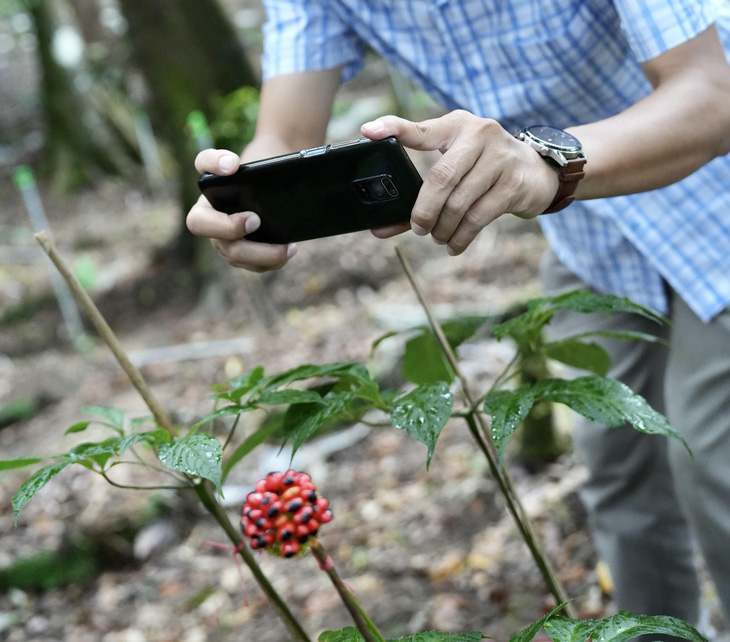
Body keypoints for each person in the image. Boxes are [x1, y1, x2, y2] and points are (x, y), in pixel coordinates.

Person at [186, 0, 730, 637]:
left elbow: (714, 94)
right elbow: (284, 132)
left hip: (710, 205)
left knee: (715, 466)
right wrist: (246, 192)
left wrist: (544, 160)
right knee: (619, 476)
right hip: (595, 242)